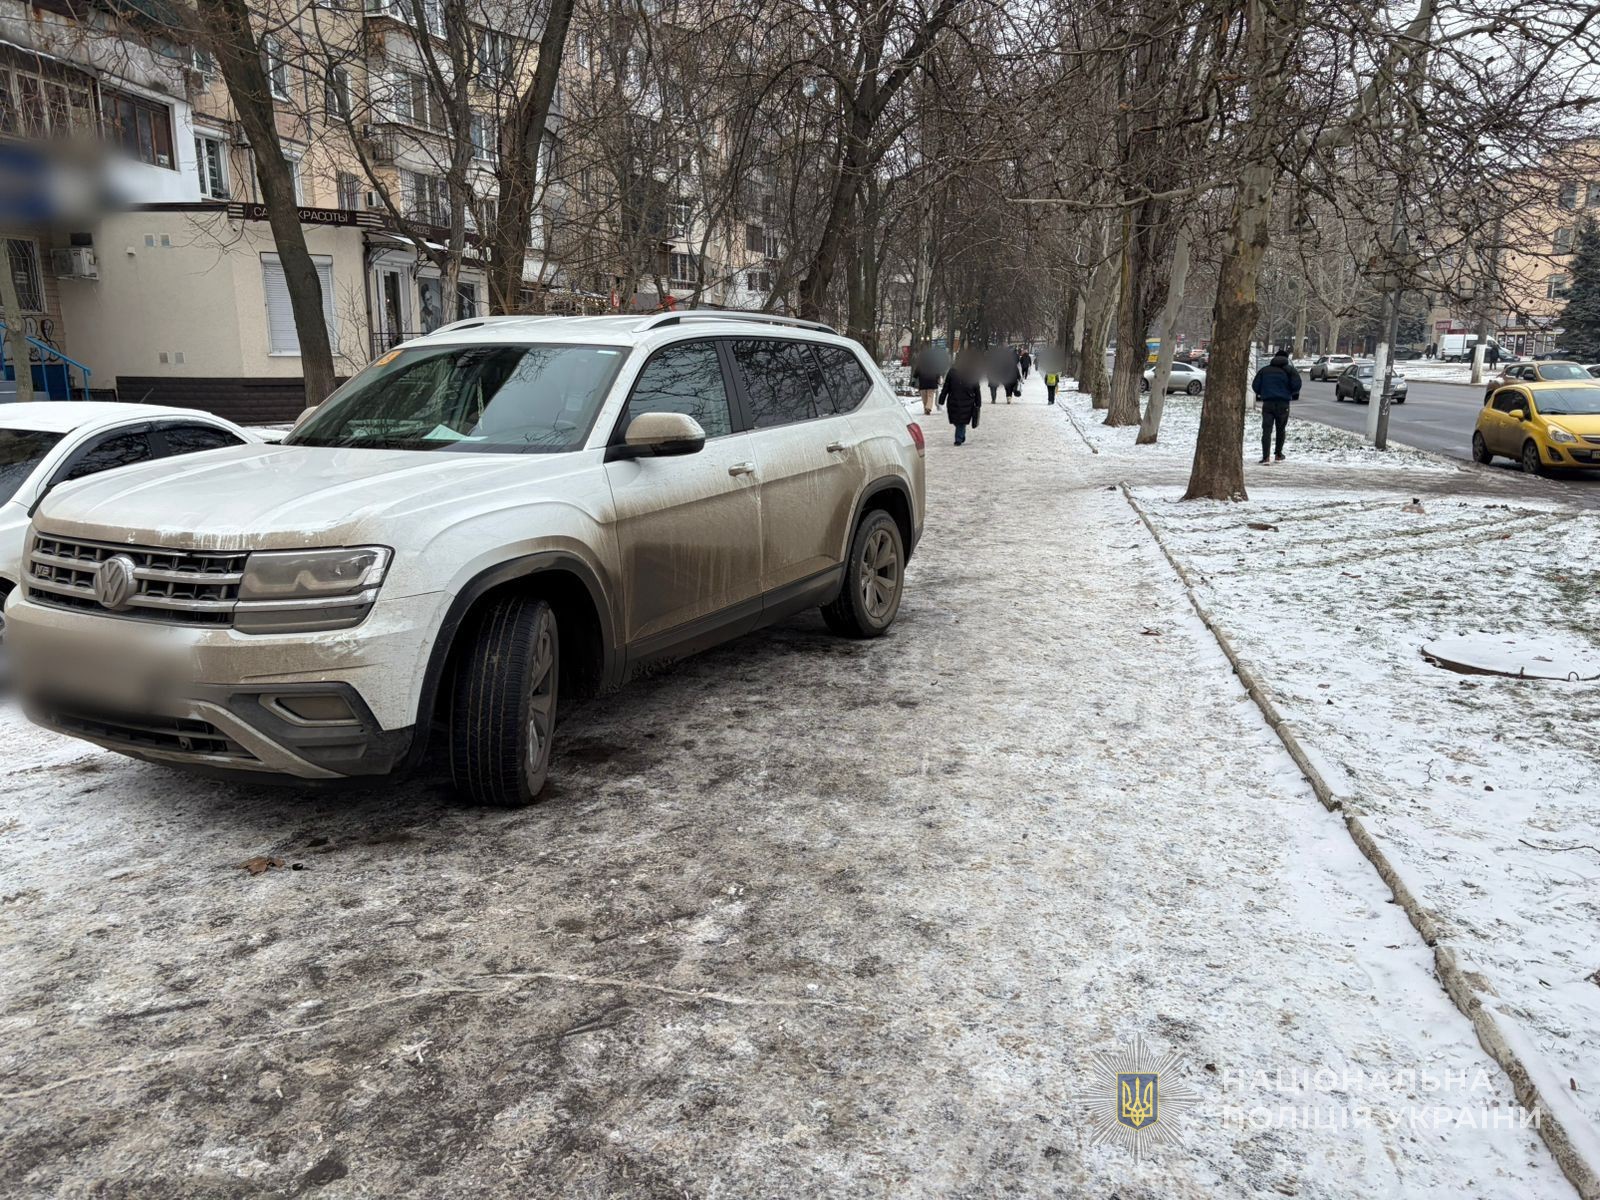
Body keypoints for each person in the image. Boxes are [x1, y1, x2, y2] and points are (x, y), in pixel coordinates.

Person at [1251, 350, 1301, 464]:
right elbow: (1297, 385)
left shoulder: (1265, 370)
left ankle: (1265, 457)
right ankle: (1278, 454)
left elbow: (1255, 385)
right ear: (1286, 359)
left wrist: (1262, 393)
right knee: (1281, 429)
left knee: (1266, 431)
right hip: (1283, 404)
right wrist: (1289, 392)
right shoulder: (1290, 370)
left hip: (1268, 403)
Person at [939, 351, 983, 445]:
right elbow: (946, 386)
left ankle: (958, 438)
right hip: (955, 400)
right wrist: (942, 398)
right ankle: (961, 434)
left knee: (960, 421)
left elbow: (976, 388)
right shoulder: (952, 372)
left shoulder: (971, 372)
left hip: (966, 400)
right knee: (958, 421)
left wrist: (978, 402)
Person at [912, 347, 943, 416]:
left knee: (924, 397)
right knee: (930, 396)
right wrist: (938, 381)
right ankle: (928, 408)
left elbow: (915, 374)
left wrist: (913, 382)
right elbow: (938, 373)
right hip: (932, 382)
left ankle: (926, 409)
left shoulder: (920, 365)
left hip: (923, 383)